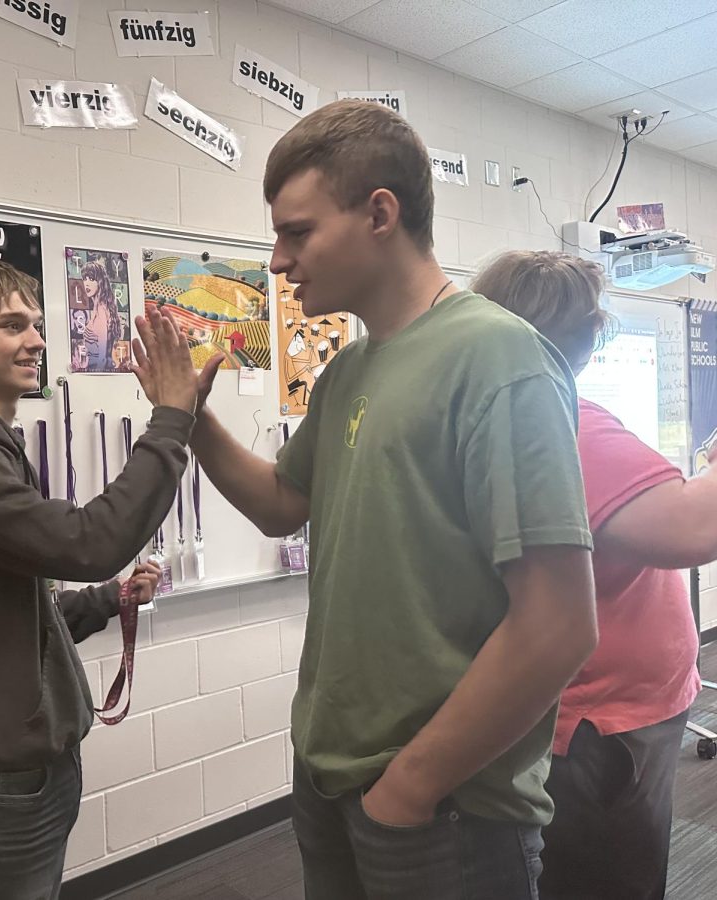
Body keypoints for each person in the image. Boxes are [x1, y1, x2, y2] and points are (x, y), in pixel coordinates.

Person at [170, 100, 598, 898]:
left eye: (297, 232)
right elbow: (280, 506)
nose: (276, 261)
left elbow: (559, 624)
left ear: (379, 214)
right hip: (332, 783)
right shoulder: (351, 370)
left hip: (445, 807)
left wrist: (410, 786)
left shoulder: (500, 358)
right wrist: (190, 420)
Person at [0, 256, 196, 899]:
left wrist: (107, 600)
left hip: (31, 773)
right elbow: (89, 542)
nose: (36, 340)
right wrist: (172, 421)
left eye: (35, 325)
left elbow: (16, 617)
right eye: (11, 326)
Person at [474, 250, 707, 900]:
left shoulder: (509, 412)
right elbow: (695, 529)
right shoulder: (561, 419)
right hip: (599, 727)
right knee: (610, 883)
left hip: (584, 715)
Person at [81, 259, 121, 372]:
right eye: (85, 279)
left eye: (92, 279)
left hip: (97, 370)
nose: (87, 283)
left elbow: (102, 357)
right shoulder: (102, 308)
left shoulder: (101, 311)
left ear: (100, 282)